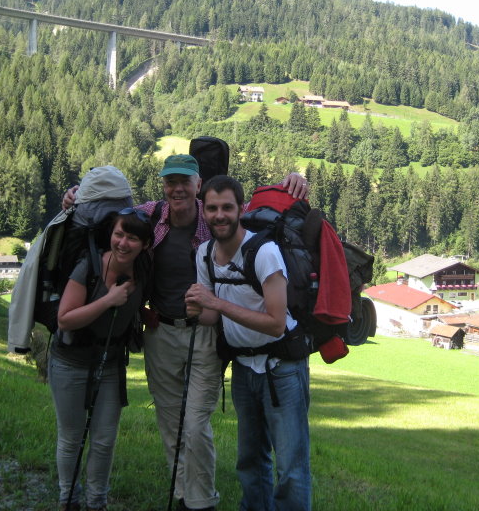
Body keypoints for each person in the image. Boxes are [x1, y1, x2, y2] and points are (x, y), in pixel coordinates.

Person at [62, 155, 307, 511]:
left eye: (184, 182)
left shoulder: (213, 218)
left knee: (193, 426)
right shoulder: (151, 214)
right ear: (163, 185)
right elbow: (113, 217)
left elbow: (249, 209)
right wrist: (76, 196)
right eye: (170, 181)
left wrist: (294, 180)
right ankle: (185, 498)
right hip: (160, 333)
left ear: (197, 185)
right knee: (171, 426)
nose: (176, 189)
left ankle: (202, 499)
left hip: (204, 335)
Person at [185, 175, 312, 511]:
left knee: (291, 469)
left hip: (283, 367)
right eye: (212, 208)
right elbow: (212, 317)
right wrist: (198, 310)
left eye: (227, 207)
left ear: (242, 209)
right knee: (250, 461)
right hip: (243, 367)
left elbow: (274, 323)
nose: (219, 215)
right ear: (205, 212)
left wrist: (217, 305)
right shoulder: (204, 254)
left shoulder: (265, 252)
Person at [48, 209, 153, 511]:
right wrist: (108, 299)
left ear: (145, 245)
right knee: (71, 437)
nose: (123, 243)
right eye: (119, 234)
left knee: (104, 440)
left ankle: (97, 503)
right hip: (69, 361)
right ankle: (69, 500)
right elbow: (65, 319)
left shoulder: (143, 269)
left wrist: (143, 313)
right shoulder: (89, 266)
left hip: (110, 364)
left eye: (133, 238)